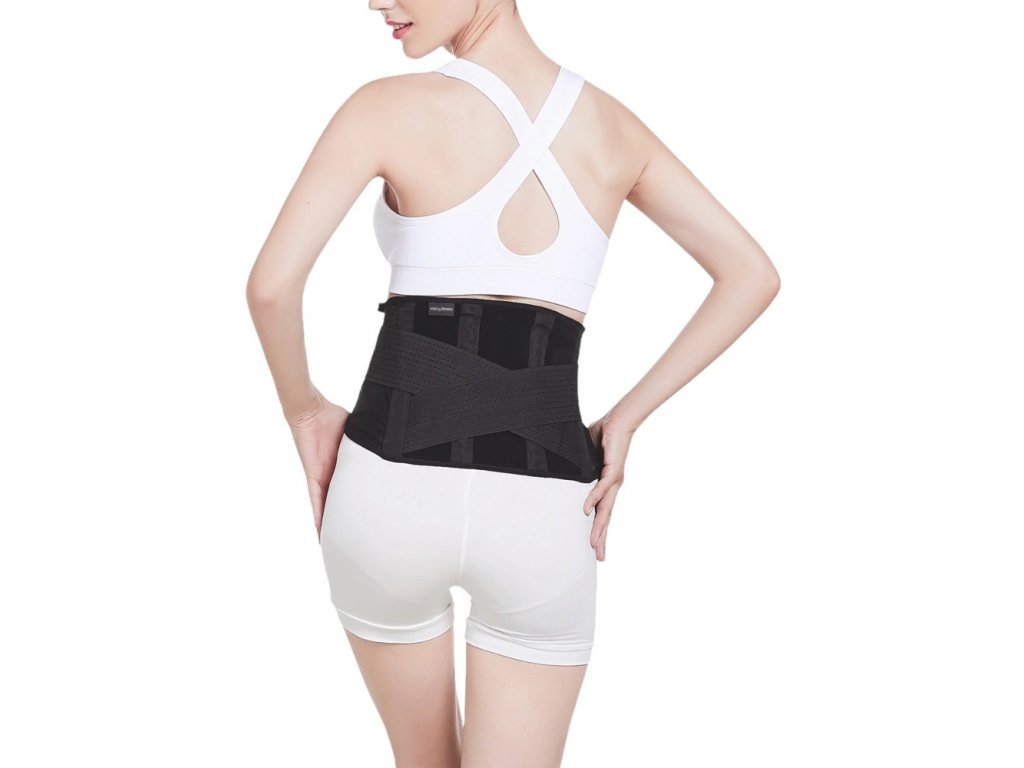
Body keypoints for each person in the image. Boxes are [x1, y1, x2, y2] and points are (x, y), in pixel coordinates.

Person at [246, 1, 780, 765]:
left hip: (387, 491)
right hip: (544, 508)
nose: (376, 0)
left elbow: (271, 287)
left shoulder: (383, 108)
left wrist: (304, 412)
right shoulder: (614, 129)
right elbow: (751, 274)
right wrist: (626, 418)